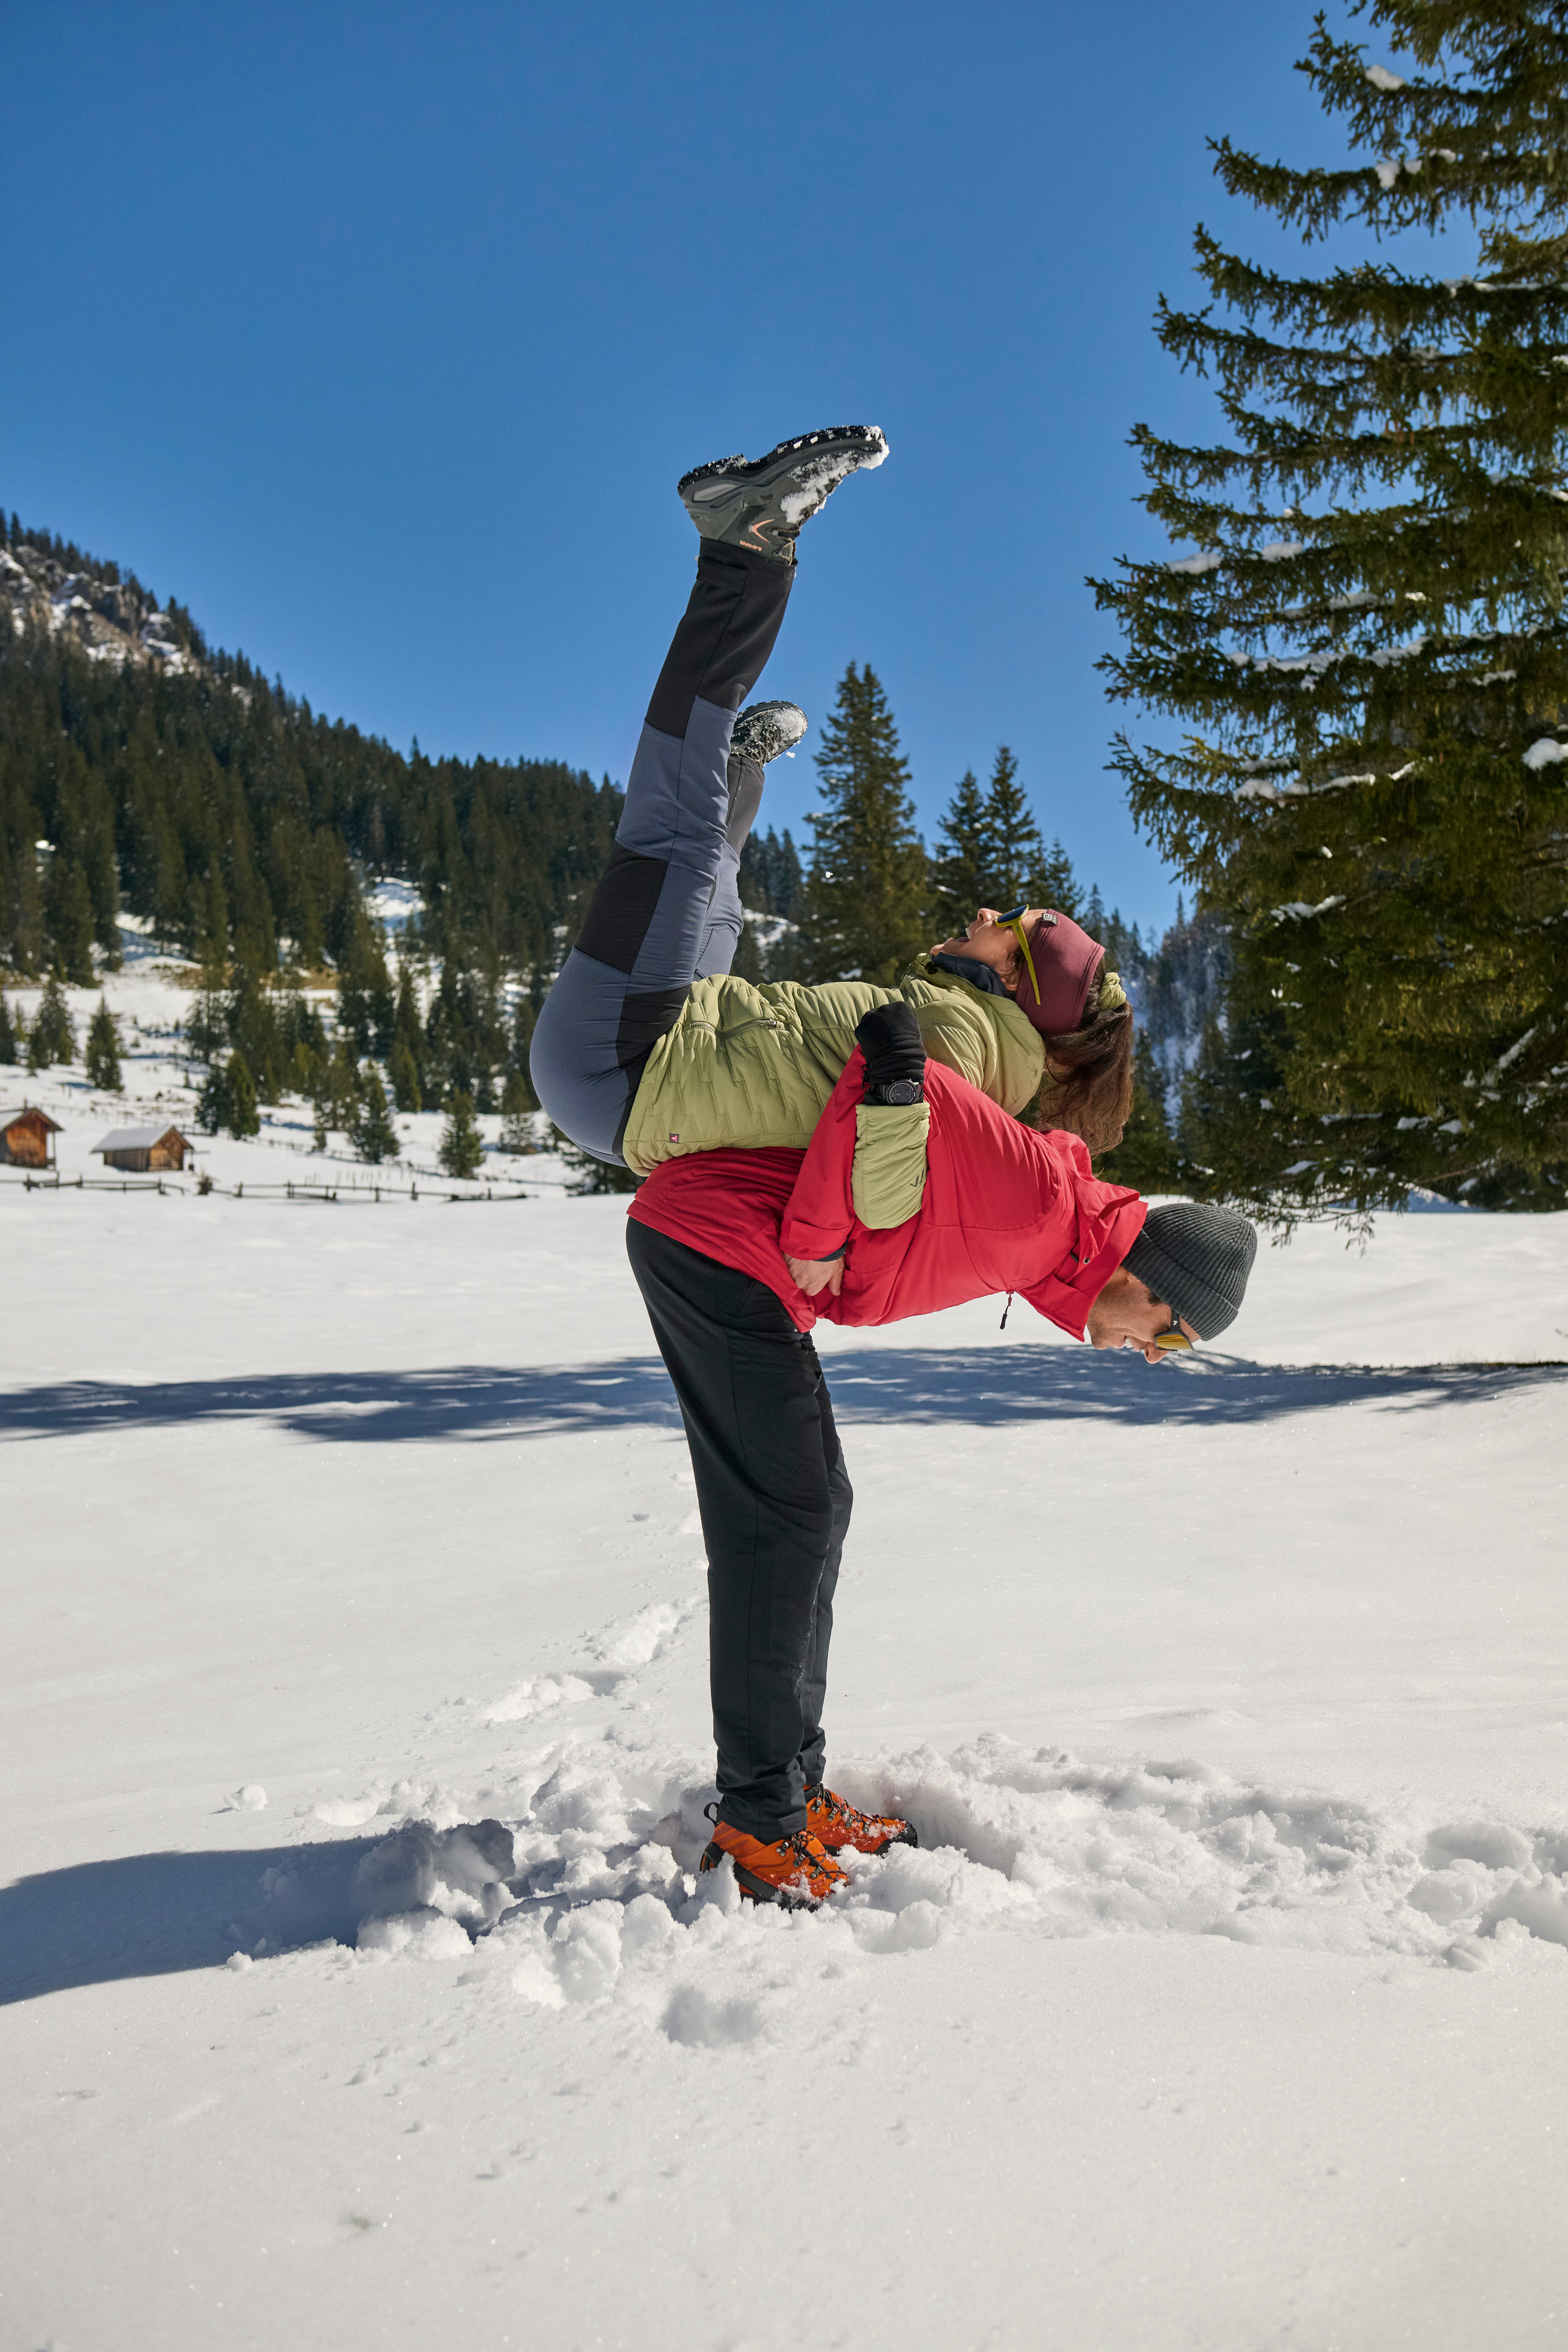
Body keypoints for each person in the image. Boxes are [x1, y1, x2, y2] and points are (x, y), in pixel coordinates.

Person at [625, 1029, 1257, 1910]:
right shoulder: (1039, 1202)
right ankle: (761, 1822)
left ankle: (793, 1792)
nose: (1158, 1355)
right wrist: (813, 1238)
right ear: (1153, 1282)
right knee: (783, 1519)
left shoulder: (1054, 1242)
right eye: (1176, 1336)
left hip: (753, 1269)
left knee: (820, 1508)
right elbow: (897, 1064)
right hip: (717, 1242)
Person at [528, 424, 1135, 1205]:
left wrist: (815, 1251)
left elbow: (887, 1187)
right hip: (642, 1077)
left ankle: (745, 542)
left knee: (675, 834)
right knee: (714, 910)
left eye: (1011, 921)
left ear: (1018, 979)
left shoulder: (964, 1043)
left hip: (622, 1064)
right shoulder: (976, 1038)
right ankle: (740, 765)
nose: (988, 910)